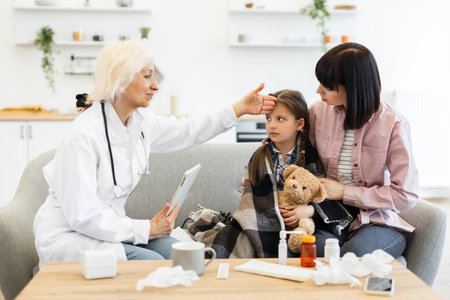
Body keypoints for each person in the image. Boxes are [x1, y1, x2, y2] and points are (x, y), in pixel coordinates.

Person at [32, 40, 277, 269]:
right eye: (148, 76)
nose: (156, 86)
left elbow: (186, 131)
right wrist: (146, 229)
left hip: (111, 231)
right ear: (121, 79)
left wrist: (238, 109)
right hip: (73, 237)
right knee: (150, 262)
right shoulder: (83, 136)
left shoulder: (139, 121)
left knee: (176, 251)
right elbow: (82, 217)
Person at [307, 42, 419, 258]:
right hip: (329, 216)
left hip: (375, 220)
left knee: (354, 254)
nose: (318, 90)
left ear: (352, 87)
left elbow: (406, 195)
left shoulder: (393, 124)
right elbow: (298, 157)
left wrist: (344, 192)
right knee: (314, 247)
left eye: (327, 85)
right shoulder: (317, 112)